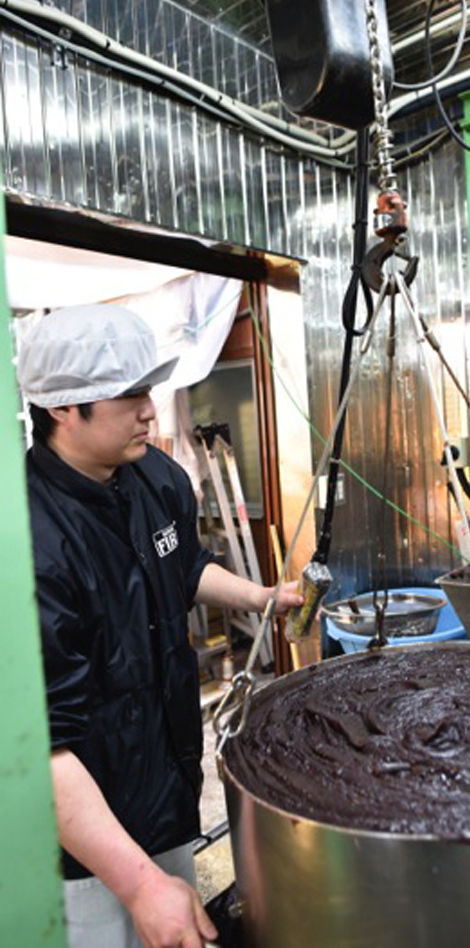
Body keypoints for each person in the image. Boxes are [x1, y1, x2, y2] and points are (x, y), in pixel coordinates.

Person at [16, 303, 303, 948]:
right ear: (65, 407)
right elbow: (44, 748)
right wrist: (139, 884)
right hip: (84, 846)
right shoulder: (28, 543)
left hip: (167, 792)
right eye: (131, 394)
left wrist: (259, 597)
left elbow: (183, 564)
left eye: (149, 388)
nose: (151, 409)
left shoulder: (153, 476)